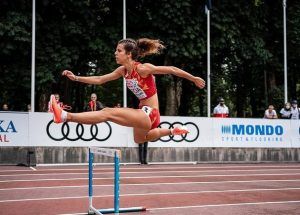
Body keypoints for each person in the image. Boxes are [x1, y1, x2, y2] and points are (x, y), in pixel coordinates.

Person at [49, 38, 205, 144]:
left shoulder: (143, 69)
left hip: (150, 113)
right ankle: (173, 131)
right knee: (139, 139)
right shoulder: (123, 71)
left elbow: (171, 69)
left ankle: (64, 116)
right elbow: (100, 79)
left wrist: (194, 78)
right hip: (144, 114)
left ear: (129, 54)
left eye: (119, 51)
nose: (115, 53)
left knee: (108, 112)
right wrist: (76, 78)